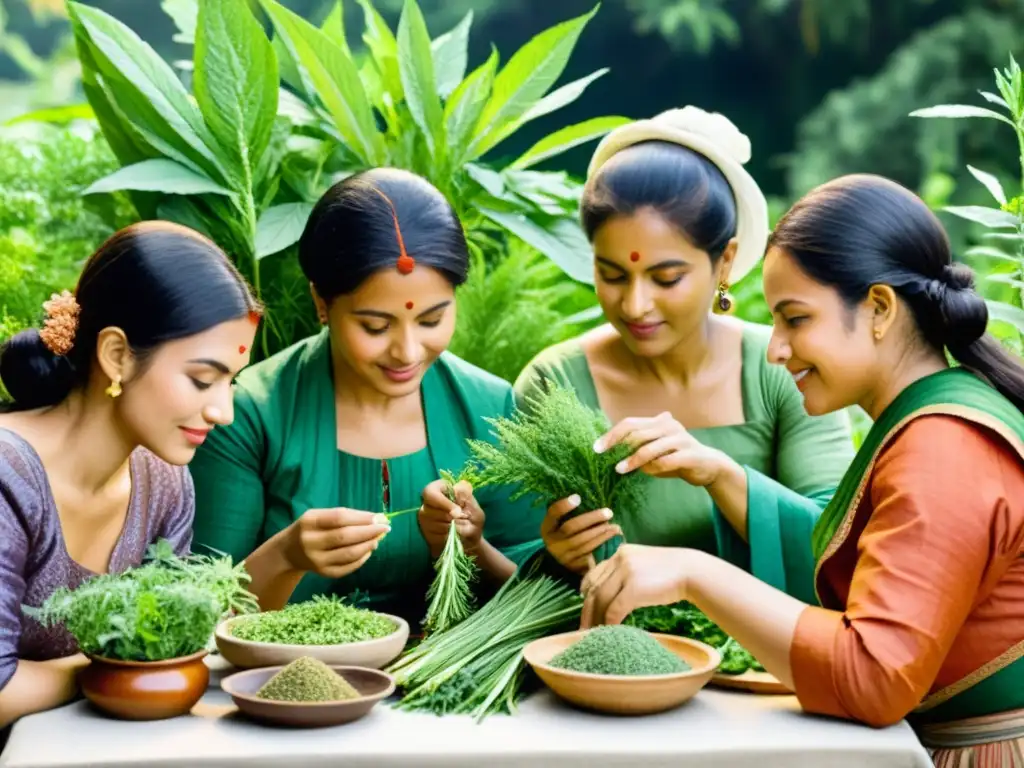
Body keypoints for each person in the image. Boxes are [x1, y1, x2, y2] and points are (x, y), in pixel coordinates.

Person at [580, 174, 1024, 764]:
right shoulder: (939, 413)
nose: (775, 349)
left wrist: (694, 573)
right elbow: (853, 569)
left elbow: (873, 676)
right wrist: (720, 475)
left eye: (795, 319)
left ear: (879, 309)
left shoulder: (942, 450)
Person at [515, 106, 853, 592]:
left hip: (761, 664)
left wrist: (719, 474)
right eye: (612, 275)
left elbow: (839, 549)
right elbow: (510, 557)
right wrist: (554, 557)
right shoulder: (555, 383)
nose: (635, 304)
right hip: (610, 661)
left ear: (725, 261)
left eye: (666, 278)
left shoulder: (782, 369)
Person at [188, 168, 545, 622]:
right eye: (375, 327)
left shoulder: (490, 409)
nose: (408, 352)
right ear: (321, 302)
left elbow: (539, 599)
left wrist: (471, 547)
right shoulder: (251, 414)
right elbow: (198, 609)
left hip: (444, 684)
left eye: (432, 320)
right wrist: (287, 555)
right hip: (279, 683)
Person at [0, 221, 260, 727]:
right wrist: (116, 670)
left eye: (230, 382)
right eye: (202, 379)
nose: (222, 411)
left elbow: (165, 644)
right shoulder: (9, 479)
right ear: (116, 355)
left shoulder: (164, 481)